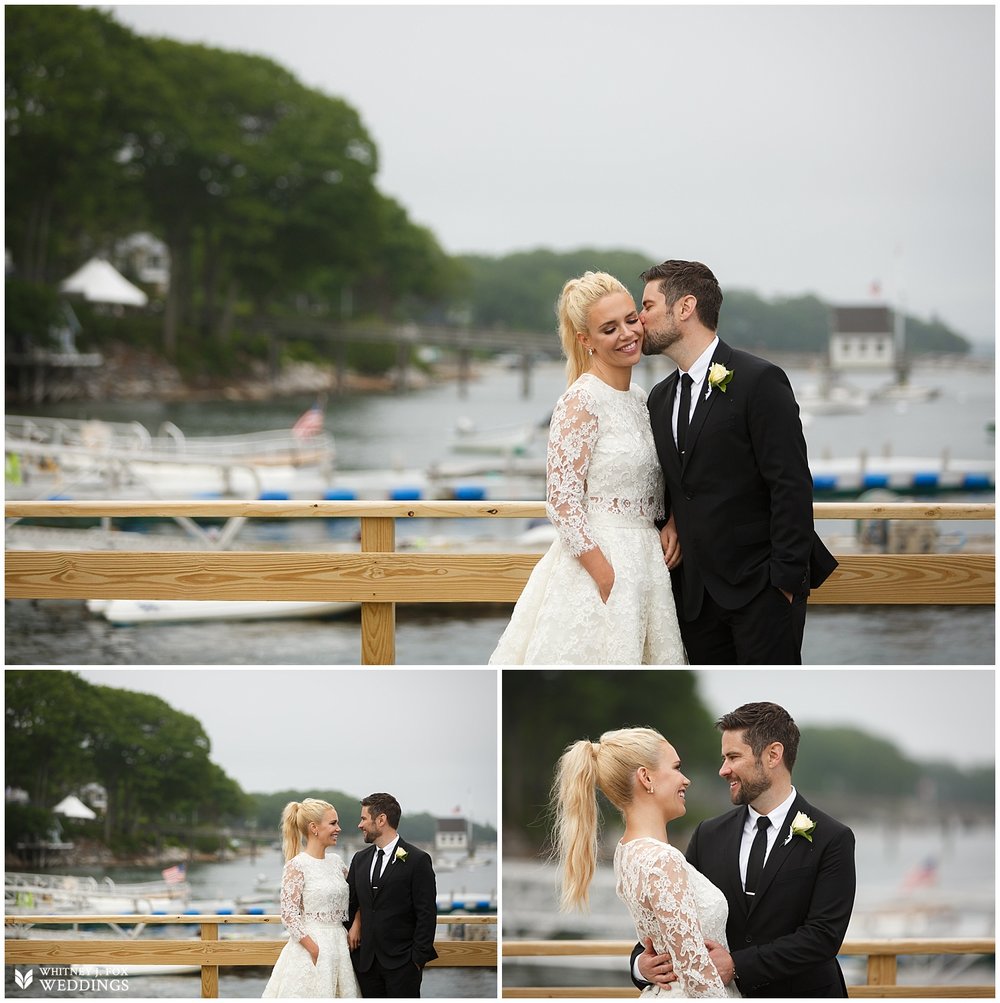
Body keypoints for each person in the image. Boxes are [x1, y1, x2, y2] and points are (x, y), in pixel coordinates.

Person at [639, 260, 838, 664]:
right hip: (693, 597)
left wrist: (782, 583)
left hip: (760, 591)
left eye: (647, 306)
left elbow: (791, 485)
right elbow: (680, 482)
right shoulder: (659, 398)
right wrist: (672, 520)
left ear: (684, 307)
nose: (639, 319)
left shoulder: (759, 380)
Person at [489, 270, 685, 664]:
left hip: (648, 560)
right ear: (586, 340)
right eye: (609, 328)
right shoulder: (580, 401)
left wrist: (672, 523)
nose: (628, 334)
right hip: (600, 564)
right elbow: (562, 502)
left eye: (631, 320)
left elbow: (661, 480)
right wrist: (606, 576)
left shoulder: (641, 398)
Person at [631, 702, 856, 997]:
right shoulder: (707, 835)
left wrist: (738, 964)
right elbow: (672, 912)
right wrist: (640, 964)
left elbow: (823, 936)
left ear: (773, 755)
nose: (724, 770)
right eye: (724, 758)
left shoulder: (833, 838)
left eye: (733, 757)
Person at [552, 726, 738, 997]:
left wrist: (642, 966)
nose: (685, 780)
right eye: (676, 768)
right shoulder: (662, 859)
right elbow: (696, 974)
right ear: (646, 778)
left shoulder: (626, 851)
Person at [262, 798, 360, 998]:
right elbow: (289, 915)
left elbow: (357, 896)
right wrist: (314, 950)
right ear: (314, 827)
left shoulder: (337, 862)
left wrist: (357, 924)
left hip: (340, 945)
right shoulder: (297, 865)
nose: (338, 829)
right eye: (333, 823)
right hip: (311, 948)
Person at [346, 792, 438, 998]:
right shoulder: (359, 860)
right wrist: (356, 923)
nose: (360, 825)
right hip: (366, 964)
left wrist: (417, 960)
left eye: (363, 819)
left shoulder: (418, 860)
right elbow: (350, 904)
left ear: (381, 820)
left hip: (403, 965)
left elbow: (427, 913)